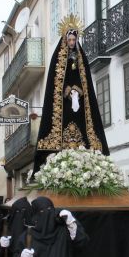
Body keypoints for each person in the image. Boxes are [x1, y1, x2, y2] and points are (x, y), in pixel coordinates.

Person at [32, 22, 110, 174]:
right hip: (63, 106)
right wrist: (68, 91)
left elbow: (86, 82)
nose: (72, 43)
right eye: (70, 40)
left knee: (84, 127)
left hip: (79, 104)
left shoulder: (81, 59)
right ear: (65, 40)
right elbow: (55, 83)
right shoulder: (57, 59)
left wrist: (78, 91)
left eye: (74, 40)